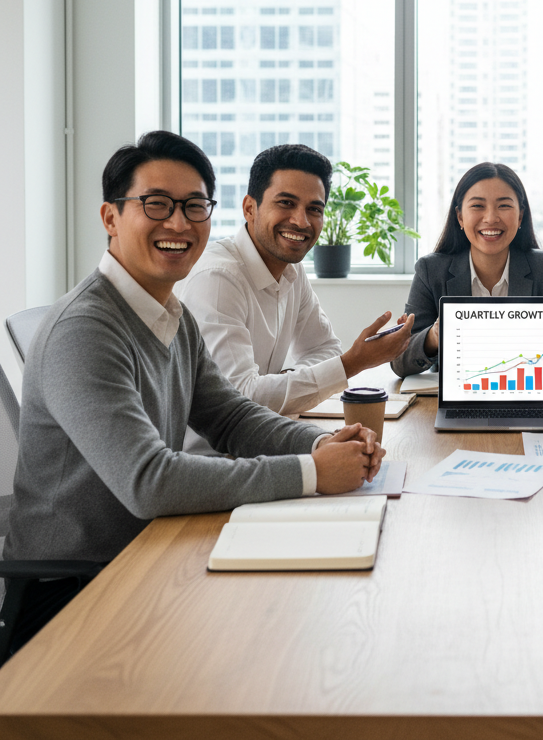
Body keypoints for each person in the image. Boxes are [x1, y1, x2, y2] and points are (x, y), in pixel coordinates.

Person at [2, 132, 384, 652]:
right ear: (111, 218)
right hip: (74, 591)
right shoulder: (85, 330)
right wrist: (313, 473)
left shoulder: (169, 314)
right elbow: (149, 481)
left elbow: (231, 417)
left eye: (194, 206)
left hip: (151, 553)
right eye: (155, 204)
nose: (179, 223)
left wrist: (317, 444)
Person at [177, 144, 412, 452]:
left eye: (314, 209)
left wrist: (282, 383)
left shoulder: (291, 270)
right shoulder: (218, 279)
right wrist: (354, 363)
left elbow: (325, 348)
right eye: (286, 203)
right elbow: (239, 402)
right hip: (215, 463)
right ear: (250, 208)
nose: (301, 221)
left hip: (264, 445)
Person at [391, 162, 543, 378]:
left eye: (504, 206)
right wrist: (435, 335)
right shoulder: (430, 270)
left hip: (528, 394)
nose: (491, 218)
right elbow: (400, 363)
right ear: (460, 217)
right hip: (458, 400)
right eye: (478, 206)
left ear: (520, 216)